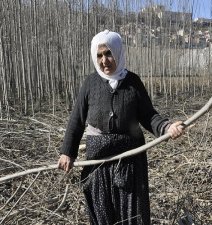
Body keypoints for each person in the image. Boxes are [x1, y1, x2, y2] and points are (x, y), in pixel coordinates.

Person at [58, 30, 184, 225]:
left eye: (108, 53)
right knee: (102, 212)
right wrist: (68, 152)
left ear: (117, 52)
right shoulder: (90, 84)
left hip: (130, 158)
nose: (104, 60)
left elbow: (149, 115)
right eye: (99, 55)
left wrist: (167, 127)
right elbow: (76, 120)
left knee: (131, 212)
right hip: (98, 158)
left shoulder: (133, 82)